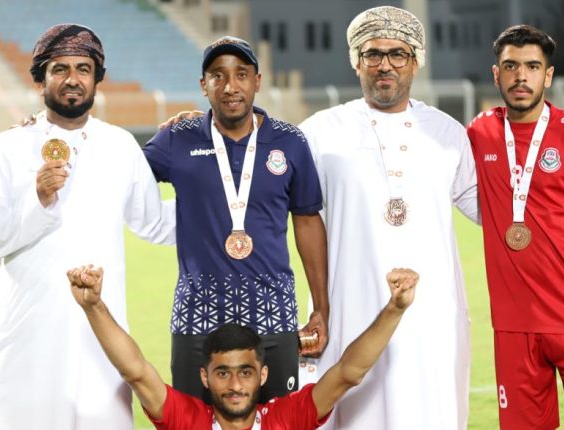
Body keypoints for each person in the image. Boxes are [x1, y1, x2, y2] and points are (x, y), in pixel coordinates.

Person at [0, 24, 176, 430]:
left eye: (83, 68)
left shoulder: (119, 145)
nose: (72, 79)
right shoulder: (6, 148)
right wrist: (37, 200)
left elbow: (155, 223)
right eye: (59, 68)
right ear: (40, 79)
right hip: (26, 342)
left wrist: (221, 203)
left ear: (97, 79)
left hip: (101, 342)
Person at [298, 6, 479, 429]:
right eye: (372, 54)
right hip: (349, 308)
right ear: (355, 61)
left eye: (398, 54)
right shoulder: (319, 132)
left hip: (431, 314)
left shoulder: (448, 133)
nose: (385, 65)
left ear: (416, 61)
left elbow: (492, 213)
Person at [142, 36, 329, 403]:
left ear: (257, 81)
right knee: (194, 423)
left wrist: (321, 308)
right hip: (198, 317)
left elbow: (307, 220)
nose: (230, 86)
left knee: (276, 423)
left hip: (272, 315)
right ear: (203, 85)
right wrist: (46, 128)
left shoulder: (290, 142)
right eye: (218, 76)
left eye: (241, 74)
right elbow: (124, 175)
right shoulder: (178, 139)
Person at [466, 25, 564, 430]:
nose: (521, 76)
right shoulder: (479, 133)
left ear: (548, 75)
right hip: (514, 328)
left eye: (533, 66)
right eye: (511, 66)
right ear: (495, 74)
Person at [67, 264, 418, 430]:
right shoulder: (188, 420)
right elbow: (135, 371)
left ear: (262, 376)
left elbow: (348, 373)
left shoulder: (284, 419)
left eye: (245, 373)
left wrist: (395, 309)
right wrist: (94, 307)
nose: (235, 385)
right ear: (205, 377)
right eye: (223, 373)